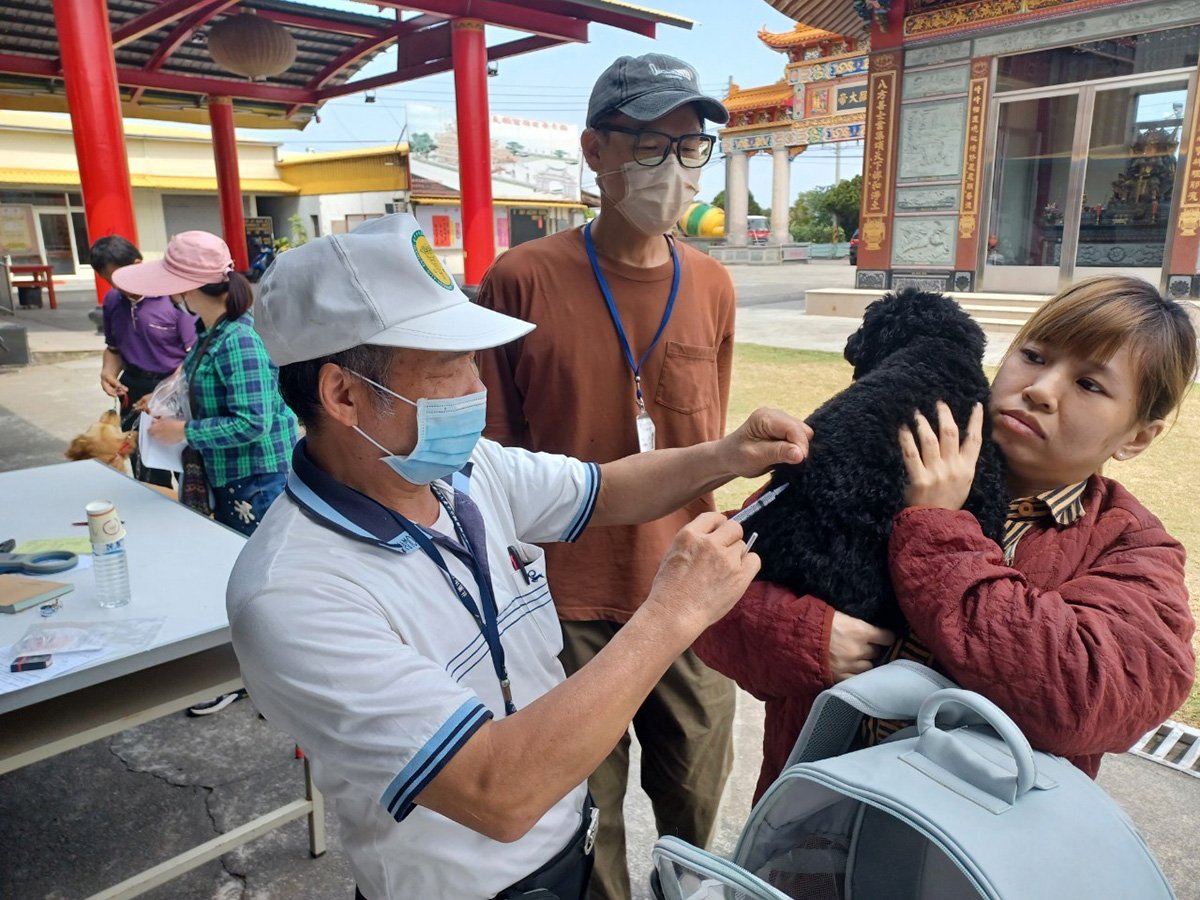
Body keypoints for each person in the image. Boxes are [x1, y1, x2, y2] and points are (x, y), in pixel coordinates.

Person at [225, 213, 812, 900]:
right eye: (450, 367)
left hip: (573, 848)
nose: (478, 388)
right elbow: (496, 791)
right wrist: (672, 614)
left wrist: (725, 455)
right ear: (345, 394)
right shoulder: (296, 594)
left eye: (475, 360)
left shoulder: (462, 474)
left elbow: (606, 489)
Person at [695, 274, 1197, 802]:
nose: (1041, 390)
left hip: (970, 856)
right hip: (810, 821)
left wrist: (937, 527)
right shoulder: (889, 446)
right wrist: (804, 634)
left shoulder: (1129, 546)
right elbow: (713, 580)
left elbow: (1087, 694)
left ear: (1139, 436)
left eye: (1090, 384)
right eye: (1034, 356)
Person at [475, 54, 736, 900]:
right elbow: (493, 456)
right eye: (651, 146)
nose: (675, 168)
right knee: (588, 823)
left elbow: (702, 449)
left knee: (696, 810)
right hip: (564, 601)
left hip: (691, 594)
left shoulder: (714, 285)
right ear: (595, 151)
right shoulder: (521, 280)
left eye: (691, 147)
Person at [114, 231, 300, 717]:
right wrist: (163, 406)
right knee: (243, 573)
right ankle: (255, 670)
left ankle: (261, 674)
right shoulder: (211, 330)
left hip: (252, 478)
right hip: (233, 475)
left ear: (188, 287)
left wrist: (187, 431)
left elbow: (253, 423)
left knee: (257, 579)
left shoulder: (238, 339)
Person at [94, 235, 197, 487]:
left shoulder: (173, 298)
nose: (116, 286)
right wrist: (108, 372)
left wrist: (163, 393)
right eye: (109, 281)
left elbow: (194, 356)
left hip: (176, 389)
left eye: (118, 278)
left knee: (186, 467)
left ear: (137, 263)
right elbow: (114, 348)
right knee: (146, 469)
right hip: (134, 391)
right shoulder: (113, 301)